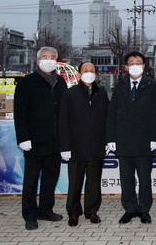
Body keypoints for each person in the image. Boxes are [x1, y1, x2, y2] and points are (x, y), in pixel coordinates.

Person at [14, 46, 68, 230]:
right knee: (31, 180)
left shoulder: (60, 82)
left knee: (50, 178)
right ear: (38, 60)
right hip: (34, 141)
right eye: (44, 57)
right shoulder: (27, 83)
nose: (48, 60)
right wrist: (23, 137)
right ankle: (30, 214)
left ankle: (46, 209)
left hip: (54, 141)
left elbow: (65, 112)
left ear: (56, 60)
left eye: (52, 57)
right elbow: (19, 113)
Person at [106, 51, 156, 224]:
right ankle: (129, 209)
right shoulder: (120, 85)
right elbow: (112, 113)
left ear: (144, 65)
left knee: (145, 179)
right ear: (126, 66)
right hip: (123, 141)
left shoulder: (153, 85)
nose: (135, 65)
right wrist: (111, 139)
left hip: (145, 142)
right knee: (126, 179)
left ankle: (144, 209)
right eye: (132, 62)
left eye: (139, 62)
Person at [59, 61, 109, 227]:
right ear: (79, 74)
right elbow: (63, 121)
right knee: (75, 181)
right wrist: (64, 147)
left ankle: (91, 211)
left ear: (96, 73)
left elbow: (107, 119)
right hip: (75, 146)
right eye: (85, 70)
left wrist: (108, 141)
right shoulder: (70, 93)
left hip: (96, 145)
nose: (89, 72)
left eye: (92, 70)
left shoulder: (101, 93)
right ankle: (73, 212)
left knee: (94, 181)